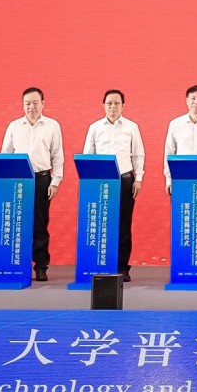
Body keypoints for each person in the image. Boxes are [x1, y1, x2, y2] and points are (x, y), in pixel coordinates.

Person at [0, 87, 63, 282]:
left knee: (40, 224)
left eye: (35, 103)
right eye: (27, 103)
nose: (31, 107)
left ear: (43, 103)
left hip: (42, 179)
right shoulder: (14, 126)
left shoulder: (52, 126)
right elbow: (5, 155)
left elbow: (57, 155)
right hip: (18, 180)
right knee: (17, 223)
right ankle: (17, 264)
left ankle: (41, 266)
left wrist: (55, 181)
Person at [84, 89, 145, 282]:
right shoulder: (94, 127)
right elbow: (88, 156)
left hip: (125, 180)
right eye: (109, 103)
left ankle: (122, 267)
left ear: (123, 106)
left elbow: (138, 155)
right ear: (103, 105)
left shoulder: (131, 127)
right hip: (100, 183)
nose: (113, 107)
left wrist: (138, 178)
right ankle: (101, 264)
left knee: (123, 225)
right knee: (101, 224)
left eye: (116, 103)